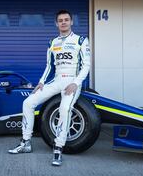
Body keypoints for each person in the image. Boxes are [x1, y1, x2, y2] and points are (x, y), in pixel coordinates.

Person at [8, 9, 91, 166]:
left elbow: (86, 66)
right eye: (60, 20)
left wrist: (76, 83)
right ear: (56, 23)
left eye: (66, 19)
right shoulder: (52, 43)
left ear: (71, 22)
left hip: (72, 81)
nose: (64, 22)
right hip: (56, 80)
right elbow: (49, 66)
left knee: (64, 108)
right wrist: (41, 82)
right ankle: (25, 142)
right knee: (28, 103)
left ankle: (58, 147)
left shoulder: (81, 41)